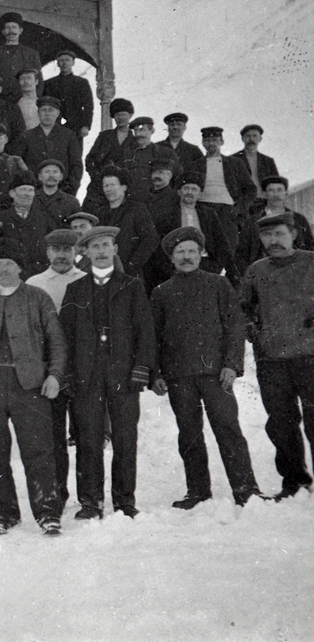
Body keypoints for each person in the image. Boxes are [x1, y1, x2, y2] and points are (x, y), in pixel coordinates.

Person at [0, 239, 66, 536]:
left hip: (28, 385)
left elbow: (56, 340)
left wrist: (54, 375)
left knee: (39, 451)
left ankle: (47, 513)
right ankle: (5, 513)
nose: (3, 269)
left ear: (20, 268)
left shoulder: (38, 298)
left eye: (9, 264)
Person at [151, 227, 264, 509]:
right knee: (188, 433)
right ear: (171, 258)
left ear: (201, 253)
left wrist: (231, 365)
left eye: (191, 251)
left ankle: (246, 490)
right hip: (179, 376)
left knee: (228, 428)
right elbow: (153, 336)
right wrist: (156, 373)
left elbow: (234, 326)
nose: (186, 257)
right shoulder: (161, 292)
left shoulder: (218, 284)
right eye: (180, 252)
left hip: (216, 374)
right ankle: (197, 491)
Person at [60, 226, 157, 519]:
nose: (101, 251)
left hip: (123, 375)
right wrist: (67, 374)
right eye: (95, 247)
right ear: (85, 254)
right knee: (88, 439)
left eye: (106, 245)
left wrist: (141, 368)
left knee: (125, 439)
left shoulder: (132, 286)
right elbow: (66, 335)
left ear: (115, 249)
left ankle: (124, 500)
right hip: (86, 376)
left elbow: (145, 330)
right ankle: (90, 502)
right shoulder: (75, 289)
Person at [240, 213, 314, 499]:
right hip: (272, 360)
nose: (274, 241)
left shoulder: (310, 262)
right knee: (281, 425)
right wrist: (255, 332)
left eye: (280, 234)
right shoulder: (256, 270)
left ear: (293, 234)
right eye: (267, 236)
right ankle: (294, 481)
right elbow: (242, 307)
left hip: (310, 356)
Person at [26, 228, 87, 505]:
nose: (62, 255)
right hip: (49, 369)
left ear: (76, 252)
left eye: (68, 249)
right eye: (56, 250)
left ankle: (90, 496)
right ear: (47, 252)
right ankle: (58, 494)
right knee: (53, 437)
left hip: (83, 367)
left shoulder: (87, 281)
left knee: (87, 435)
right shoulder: (34, 284)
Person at [198, 126, 256, 281]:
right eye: (207, 140)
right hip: (203, 208)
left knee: (228, 251)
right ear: (203, 142)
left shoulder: (234, 163)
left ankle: (233, 288)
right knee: (205, 250)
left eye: (214, 140)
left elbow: (250, 189)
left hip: (227, 211)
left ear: (221, 141)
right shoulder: (195, 164)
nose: (211, 143)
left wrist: (238, 208)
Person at [95, 165, 159, 280]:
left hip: (130, 274)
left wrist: (133, 264)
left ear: (124, 187)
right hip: (105, 273)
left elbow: (151, 239)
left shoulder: (137, 209)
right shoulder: (101, 212)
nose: (108, 189)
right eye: (106, 185)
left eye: (112, 185)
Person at [0, 170, 53, 278]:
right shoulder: (0, 219)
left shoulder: (45, 218)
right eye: (23, 189)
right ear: (12, 193)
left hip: (40, 277)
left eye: (30, 190)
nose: (27, 194)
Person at [246, 175, 314, 263]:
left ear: (286, 194)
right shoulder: (253, 222)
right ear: (264, 194)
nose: (275, 194)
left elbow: (309, 247)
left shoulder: (299, 219)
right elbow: (243, 253)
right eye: (271, 190)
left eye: (279, 190)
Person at [21, 96, 81, 195]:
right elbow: (20, 163)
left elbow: (76, 164)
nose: (47, 113)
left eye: (51, 110)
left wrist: (71, 189)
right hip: (34, 192)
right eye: (43, 110)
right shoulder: (27, 136)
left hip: (62, 190)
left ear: (57, 113)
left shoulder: (68, 135)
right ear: (38, 113)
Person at [83, 97, 135, 208]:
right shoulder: (104, 136)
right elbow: (90, 159)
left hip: (126, 187)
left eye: (123, 114)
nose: (119, 118)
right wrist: (97, 176)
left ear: (130, 115)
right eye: (116, 115)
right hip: (101, 186)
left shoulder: (135, 139)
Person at [119, 117, 180, 204]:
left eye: (142, 130)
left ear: (152, 131)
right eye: (136, 131)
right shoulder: (126, 155)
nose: (139, 134)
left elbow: (178, 177)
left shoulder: (166, 153)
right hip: (132, 203)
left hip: (158, 203)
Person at [0, 12, 41, 102]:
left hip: (23, 100)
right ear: (3, 32)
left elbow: (39, 81)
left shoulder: (32, 54)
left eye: (14, 27)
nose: (11, 31)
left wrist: (33, 102)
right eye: (7, 28)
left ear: (20, 30)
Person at [41, 49, 93, 139]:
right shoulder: (49, 83)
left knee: (74, 152)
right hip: (54, 125)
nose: (64, 63)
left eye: (67, 60)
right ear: (57, 63)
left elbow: (88, 105)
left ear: (73, 63)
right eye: (61, 60)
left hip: (76, 126)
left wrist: (86, 125)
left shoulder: (81, 83)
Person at [230, 123, 279, 197]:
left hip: (264, 201)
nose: (251, 139)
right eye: (248, 136)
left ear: (260, 139)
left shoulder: (268, 161)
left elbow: (276, 183)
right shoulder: (233, 160)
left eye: (254, 136)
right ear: (242, 139)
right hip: (243, 202)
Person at [157, 112, 204, 184]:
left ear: (184, 127)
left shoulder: (194, 150)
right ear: (168, 128)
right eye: (172, 124)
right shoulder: (157, 147)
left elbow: (201, 174)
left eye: (178, 124)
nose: (175, 127)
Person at [34, 159, 80, 228]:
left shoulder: (71, 202)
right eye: (47, 172)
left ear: (61, 177)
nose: (51, 175)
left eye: (55, 172)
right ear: (40, 176)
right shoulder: (31, 199)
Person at [14, 68, 42, 134]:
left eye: (29, 78)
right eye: (22, 79)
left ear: (36, 81)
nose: (26, 81)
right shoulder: (15, 105)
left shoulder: (44, 104)